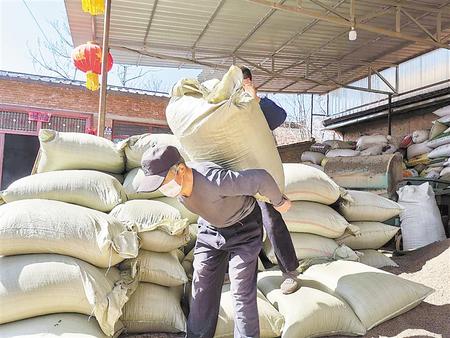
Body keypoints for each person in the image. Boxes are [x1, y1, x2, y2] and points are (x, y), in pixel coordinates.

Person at [138, 145, 292, 338]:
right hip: (210, 232)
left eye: (162, 181)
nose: (161, 187)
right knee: (201, 283)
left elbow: (261, 178)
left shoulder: (214, 180)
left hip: (243, 230)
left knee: (241, 290)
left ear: (181, 170)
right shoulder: (178, 186)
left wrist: (279, 202)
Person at [241, 66, 300, 294]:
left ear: (251, 82)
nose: (241, 86)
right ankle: (242, 271)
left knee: (272, 221)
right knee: (240, 223)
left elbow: (279, 117)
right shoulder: (229, 109)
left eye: (245, 81)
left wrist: (254, 99)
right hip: (239, 175)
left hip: (262, 174)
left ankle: (289, 271)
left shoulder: (260, 104)